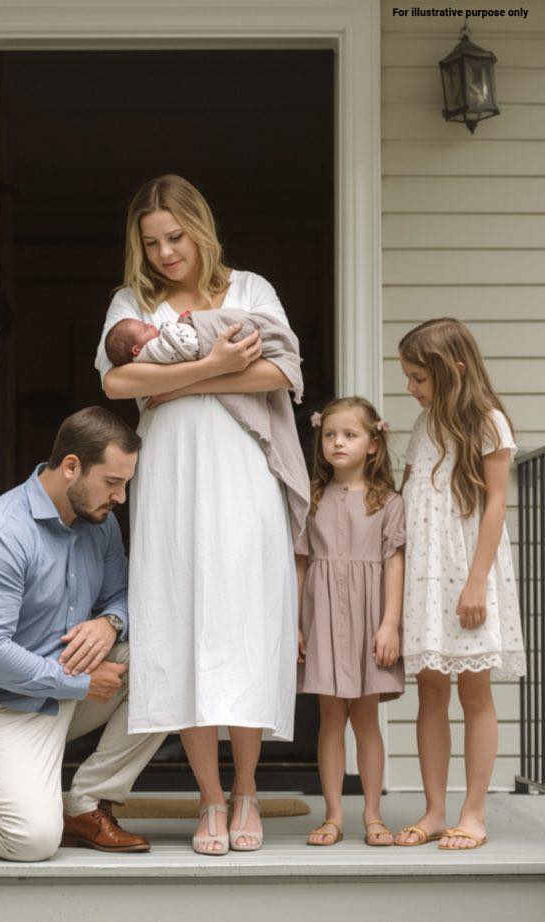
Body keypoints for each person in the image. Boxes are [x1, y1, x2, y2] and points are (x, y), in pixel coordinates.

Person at [95, 175, 309, 855]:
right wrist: (215, 364)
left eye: (175, 237)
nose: (164, 252)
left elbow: (281, 373)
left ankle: (246, 789)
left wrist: (188, 376)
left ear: (200, 228)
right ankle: (210, 800)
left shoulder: (250, 290)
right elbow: (116, 381)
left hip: (243, 476)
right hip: (172, 483)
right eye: (151, 242)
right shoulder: (132, 303)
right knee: (181, 629)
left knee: (244, 625)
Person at [0, 407, 165, 861]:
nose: (121, 497)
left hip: (68, 693)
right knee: (32, 840)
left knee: (164, 656)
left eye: (125, 483)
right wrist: (81, 682)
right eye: (112, 482)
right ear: (70, 467)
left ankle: (86, 803)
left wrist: (111, 622)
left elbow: (124, 596)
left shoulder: (98, 524)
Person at [394, 318, 525, 851]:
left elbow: (496, 503)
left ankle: (473, 812)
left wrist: (475, 582)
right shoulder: (422, 426)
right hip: (426, 573)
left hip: (469, 572)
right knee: (429, 691)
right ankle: (433, 810)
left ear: (454, 370)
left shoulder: (489, 423)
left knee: (474, 691)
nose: (411, 388)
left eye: (418, 378)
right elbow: (406, 499)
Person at [295, 397, 405, 847]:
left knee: (365, 719)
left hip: (369, 620)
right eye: (330, 435)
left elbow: (393, 564)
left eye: (350, 435)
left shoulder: (388, 501)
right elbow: (301, 564)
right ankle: (334, 814)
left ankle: (374, 815)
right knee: (330, 718)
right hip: (322, 617)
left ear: (373, 444)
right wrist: (295, 624)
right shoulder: (311, 498)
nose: (338, 442)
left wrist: (390, 624)